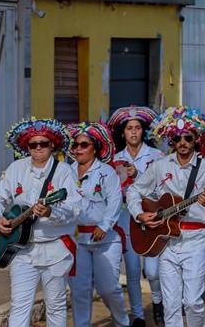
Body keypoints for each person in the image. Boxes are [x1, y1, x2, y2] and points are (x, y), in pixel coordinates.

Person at [127, 107, 205, 327]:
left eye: (187, 137)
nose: (182, 142)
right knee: (171, 305)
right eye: (177, 138)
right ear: (171, 140)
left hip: (196, 240)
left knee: (192, 302)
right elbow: (134, 190)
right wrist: (139, 214)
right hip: (167, 242)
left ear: (195, 139)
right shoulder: (160, 165)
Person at [0, 118, 81, 327]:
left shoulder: (64, 171)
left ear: (52, 145)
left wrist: (51, 211)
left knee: (56, 306)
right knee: (19, 305)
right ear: (27, 146)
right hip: (22, 250)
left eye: (43, 144)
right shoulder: (15, 168)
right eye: (33, 144)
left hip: (55, 249)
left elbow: (75, 208)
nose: (38, 148)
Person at [66, 122, 131, 327]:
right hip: (77, 240)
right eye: (76, 145)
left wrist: (104, 226)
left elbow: (115, 201)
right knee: (80, 289)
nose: (78, 149)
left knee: (108, 288)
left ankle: (122, 321)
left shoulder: (106, 172)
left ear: (95, 147)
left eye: (84, 145)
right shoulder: (66, 172)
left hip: (105, 239)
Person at [109, 106, 166, 326]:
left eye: (137, 128)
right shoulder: (115, 159)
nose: (133, 132)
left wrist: (138, 175)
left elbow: (162, 190)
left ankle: (158, 301)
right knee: (132, 271)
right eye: (129, 128)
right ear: (123, 133)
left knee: (152, 271)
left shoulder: (157, 157)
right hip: (127, 218)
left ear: (144, 131)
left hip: (151, 217)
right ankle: (138, 316)